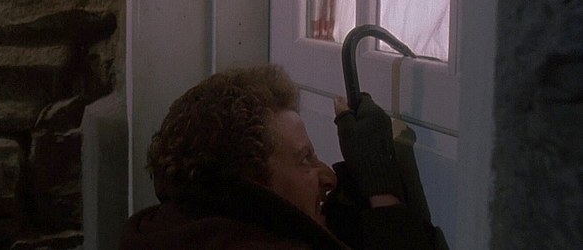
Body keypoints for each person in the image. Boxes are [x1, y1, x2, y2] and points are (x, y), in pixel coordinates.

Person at [120, 64, 442, 249]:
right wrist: (383, 192)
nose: (329, 177)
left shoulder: (167, 230)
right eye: (305, 159)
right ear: (251, 183)